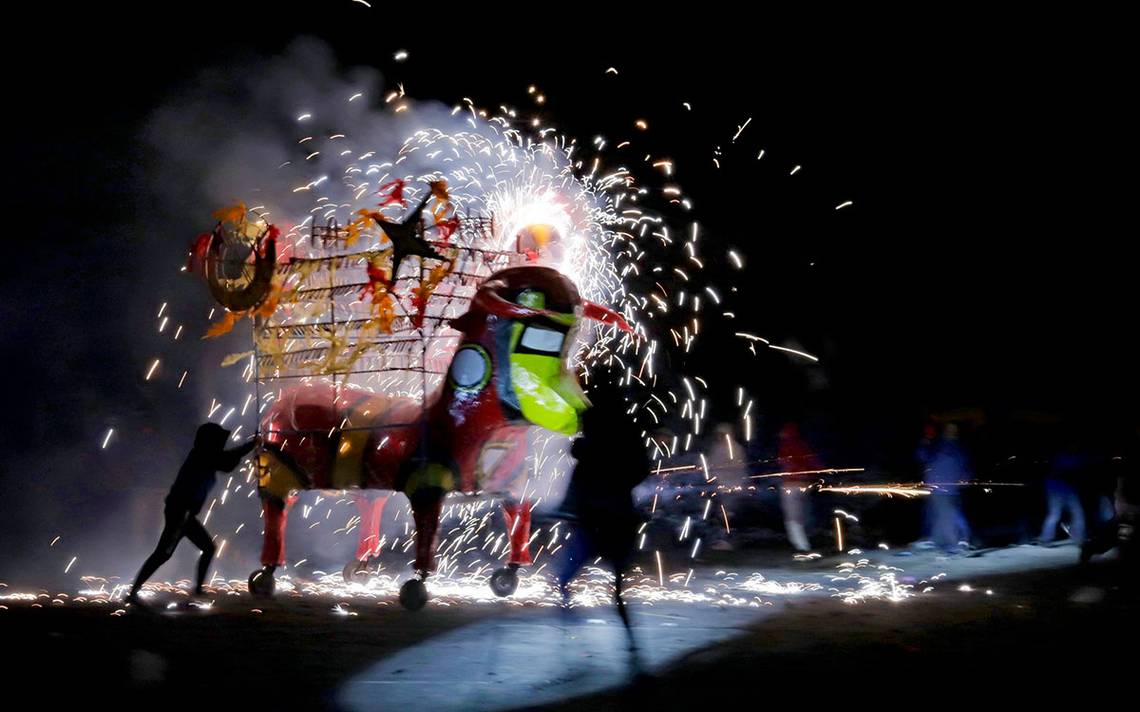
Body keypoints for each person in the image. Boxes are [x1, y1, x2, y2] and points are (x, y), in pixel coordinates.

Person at [128, 423, 258, 604]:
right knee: (163, 554)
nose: (221, 443)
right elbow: (226, 461)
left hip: (185, 514)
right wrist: (250, 446)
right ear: (209, 440)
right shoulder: (202, 454)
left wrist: (249, 446)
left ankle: (197, 590)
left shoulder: (205, 454)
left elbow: (226, 463)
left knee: (207, 548)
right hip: (180, 513)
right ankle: (133, 592)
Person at [557, 385, 650, 637]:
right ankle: (628, 633)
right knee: (617, 580)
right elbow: (642, 467)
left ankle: (569, 613)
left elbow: (581, 466)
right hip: (615, 513)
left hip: (596, 515)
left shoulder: (594, 433)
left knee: (569, 572)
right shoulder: (626, 430)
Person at [918, 423, 972, 553]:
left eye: (954, 430)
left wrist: (965, 478)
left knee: (948, 515)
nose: (952, 433)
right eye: (950, 430)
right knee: (944, 515)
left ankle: (955, 543)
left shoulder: (955, 448)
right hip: (940, 488)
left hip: (947, 489)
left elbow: (963, 467)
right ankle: (944, 541)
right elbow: (922, 456)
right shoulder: (940, 447)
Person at [777, 422, 817, 552]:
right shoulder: (802, 445)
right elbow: (813, 462)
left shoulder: (785, 446)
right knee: (801, 515)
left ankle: (801, 546)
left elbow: (783, 463)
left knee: (791, 518)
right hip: (803, 485)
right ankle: (803, 542)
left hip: (790, 486)